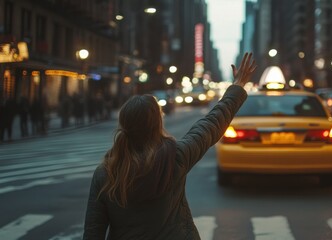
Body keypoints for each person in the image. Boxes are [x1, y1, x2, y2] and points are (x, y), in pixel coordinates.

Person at [83, 52, 257, 239]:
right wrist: (238, 85)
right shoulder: (174, 158)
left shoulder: (105, 173)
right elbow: (212, 123)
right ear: (157, 123)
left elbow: (93, 231)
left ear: (123, 125)